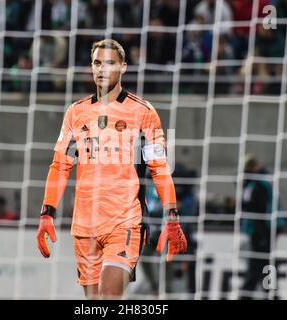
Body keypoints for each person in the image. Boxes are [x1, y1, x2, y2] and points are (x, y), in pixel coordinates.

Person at [35, 39, 187, 299]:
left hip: (125, 222)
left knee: (109, 295)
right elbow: (61, 165)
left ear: (124, 67)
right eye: (96, 63)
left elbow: (159, 169)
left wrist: (172, 215)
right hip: (84, 225)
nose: (101, 69)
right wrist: (47, 212)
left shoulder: (143, 112)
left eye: (109, 63)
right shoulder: (76, 113)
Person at [239, 154, 286, 299]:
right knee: (262, 265)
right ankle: (269, 294)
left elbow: (258, 208)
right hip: (265, 229)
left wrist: (262, 234)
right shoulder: (262, 180)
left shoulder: (259, 183)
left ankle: (248, 294)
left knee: (258, 266)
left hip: (263, 230)